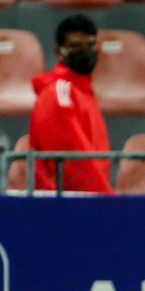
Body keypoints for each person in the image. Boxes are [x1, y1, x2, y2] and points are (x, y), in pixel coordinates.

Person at [29, 15, 112, 194]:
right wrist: (107, 201)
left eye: (90, 45)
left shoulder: (83, 91)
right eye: (75, 46)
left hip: (84, 200)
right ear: (60, 52)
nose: (85, 51)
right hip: (65, 204)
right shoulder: (59, 94)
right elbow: (73, 160)